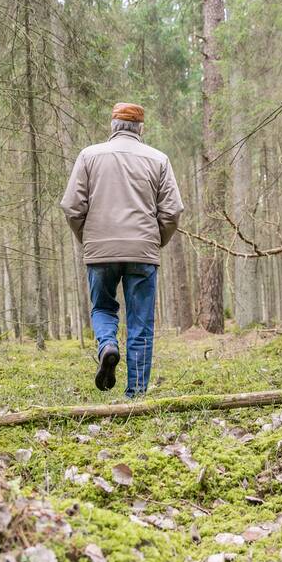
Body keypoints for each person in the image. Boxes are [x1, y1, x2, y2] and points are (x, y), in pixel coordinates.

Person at [60, 102, 184, 397]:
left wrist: (88, 239)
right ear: (141, 129)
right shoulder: (158, 159)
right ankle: (136, 394)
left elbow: (72, 206)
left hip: (100, 250)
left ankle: (108, 345)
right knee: (141, 323)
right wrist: (155, 242)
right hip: (143, 251)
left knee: (103, 307)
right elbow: (172, 210)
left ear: (113, 126)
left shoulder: (89, 156)